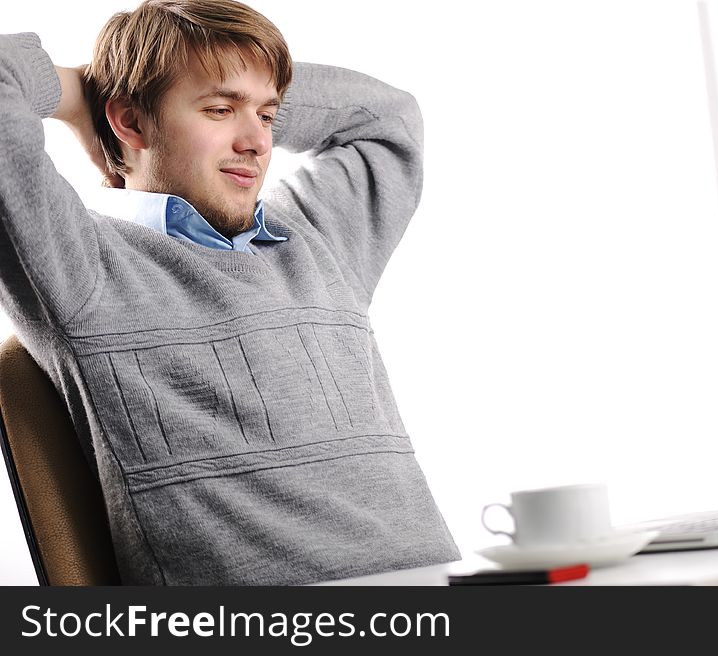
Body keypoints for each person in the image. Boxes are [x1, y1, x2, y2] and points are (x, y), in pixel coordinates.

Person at [0, 0, 460, 584]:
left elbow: (388, 118)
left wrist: (245, 89)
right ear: (131, 122)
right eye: (219, 109)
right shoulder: (83, 267)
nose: (258, 143)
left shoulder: (318, 238)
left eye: (268, 117)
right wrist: (81, 94)